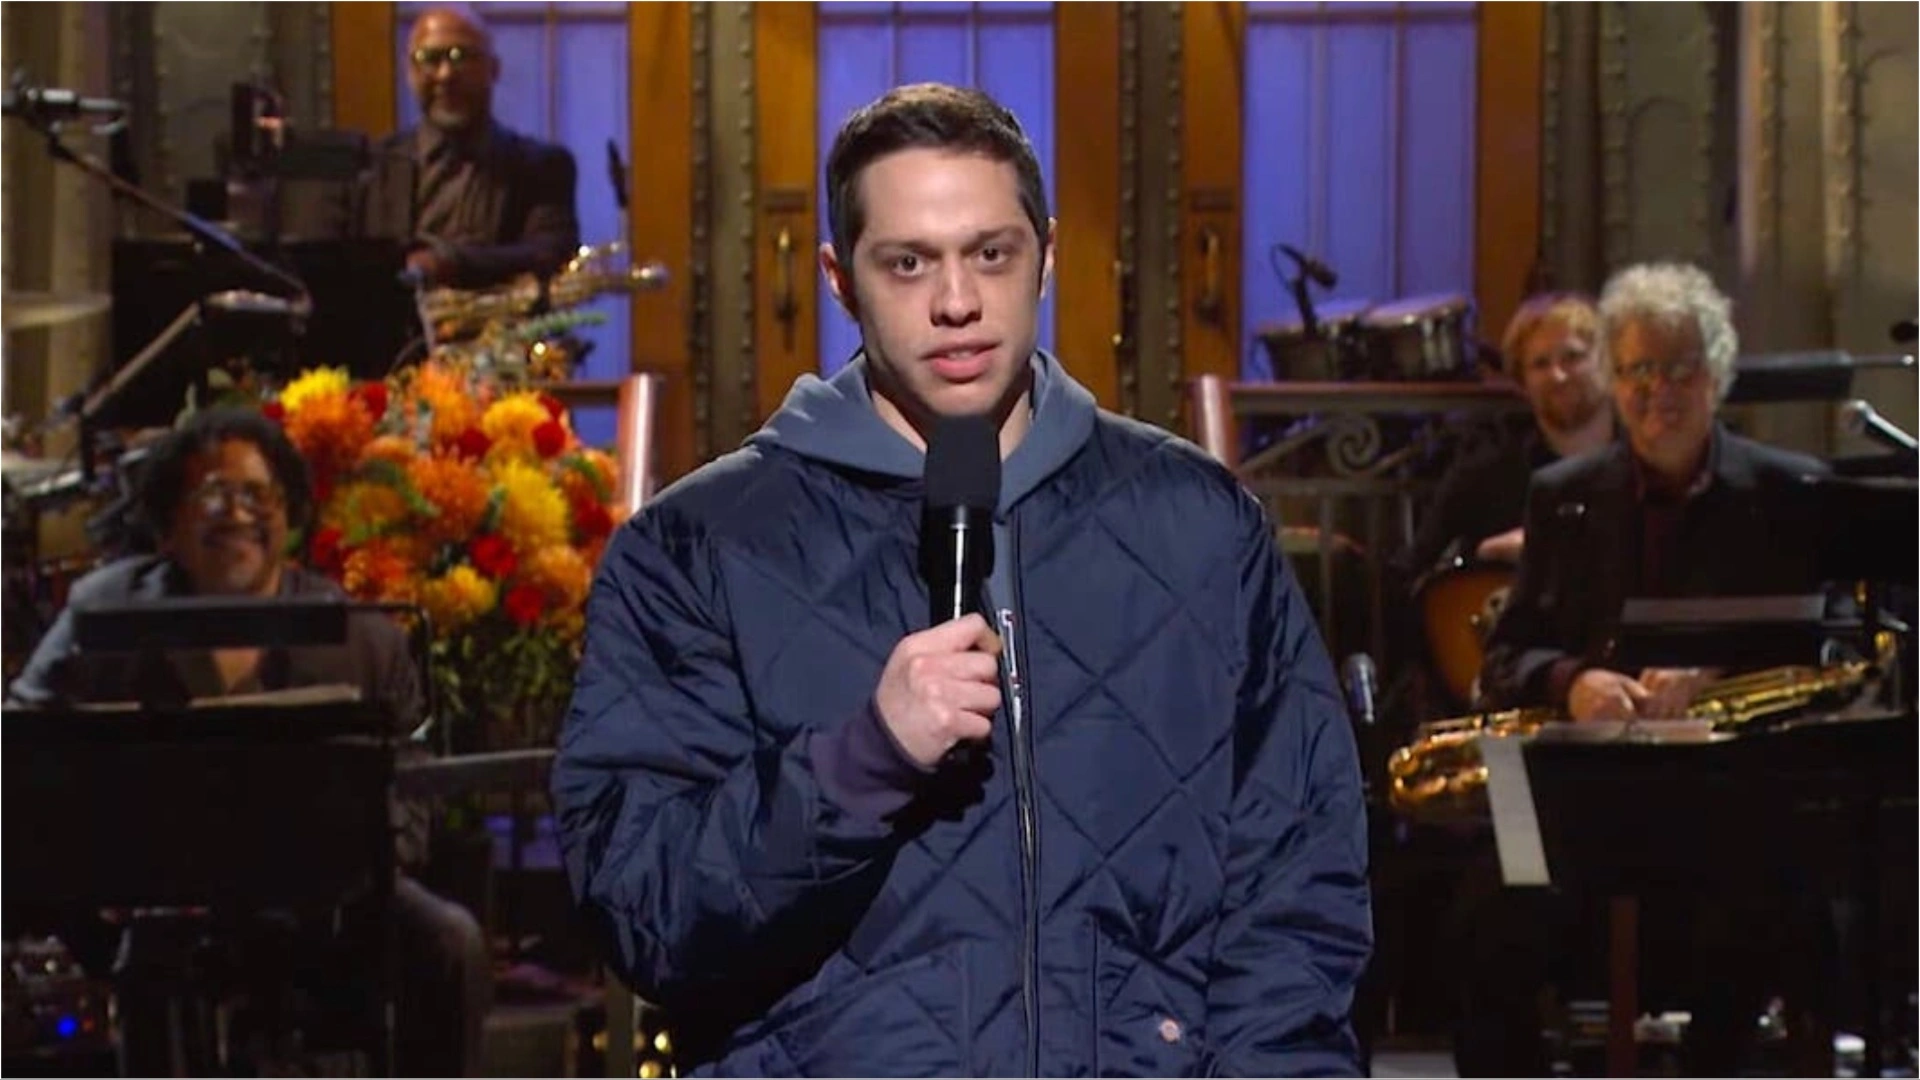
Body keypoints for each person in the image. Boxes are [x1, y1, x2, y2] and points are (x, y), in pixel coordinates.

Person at [551, 83, 1372, 1076]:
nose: (956, 302)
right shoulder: (697, 549)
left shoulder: (1200, 524)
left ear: (1046, 256)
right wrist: (860, 763)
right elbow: (643, 910)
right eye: (908, 262)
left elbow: (1300, 881)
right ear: (840, 279)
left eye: (991, 254)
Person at [7, 407, 491, 1078]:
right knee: (150, 958)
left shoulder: (363, 639)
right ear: (168, 525)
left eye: (256, 495)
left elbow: (411, 798)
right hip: (156, 900)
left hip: (328, 899)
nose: (235, 513)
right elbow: (22, 746)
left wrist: (353, 860)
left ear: (288, 516)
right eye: (211, 495)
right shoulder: (102, 617)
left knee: (450, 941)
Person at [1470, 262, 1840, 1076]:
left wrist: (1712, 676)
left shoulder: (1787, 490)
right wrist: (1573, 681)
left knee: (1769, 920)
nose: (1656, 392)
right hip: (1588, 802)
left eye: (1678, 369)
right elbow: (1506, 655)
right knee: (1479, 933)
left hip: (1737, 802)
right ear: (1613, 378)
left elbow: (1831, 648)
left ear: (1717, 375)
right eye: (1638, 370)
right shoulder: (1562, 495)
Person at [360, 3, 580, 289]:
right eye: (429, 58)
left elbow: (551, 253)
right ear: (409, 72)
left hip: (502, 318)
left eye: (460, 56)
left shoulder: (542, 166)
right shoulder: (374, 164)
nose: (445, 74)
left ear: (494, 69)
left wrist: (445, 263)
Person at [1400, 291, 1615, 579]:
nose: (1558, 376)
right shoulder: (1488, 470)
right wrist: (1484, 556)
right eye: (1540, 364)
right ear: (1523, 381)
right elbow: (1412, 571)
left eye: (1573, 357)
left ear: (1608, 364)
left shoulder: (1651, 458)